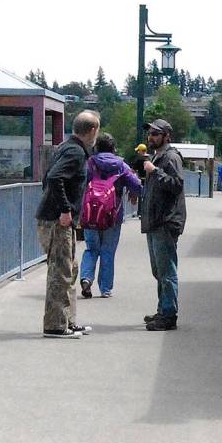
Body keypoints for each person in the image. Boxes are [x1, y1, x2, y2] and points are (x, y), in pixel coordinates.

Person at [35, 110, 100, 338]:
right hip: (58, 220)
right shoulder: (74, 151)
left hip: (56, 218)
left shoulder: (65, 147)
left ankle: (67, 321)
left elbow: (48, 177)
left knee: (69, 270)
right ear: (92, 130)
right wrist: (65, 209)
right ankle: (55, 326)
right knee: (61, 272)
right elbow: (54, 178)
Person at [79, 133, 142, 298]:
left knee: (91, 248)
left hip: (90, 213)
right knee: (108, 251)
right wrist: (133, 193)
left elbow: (78, 183)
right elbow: (137, 185)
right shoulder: (121, 165)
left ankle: (86, 278)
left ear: (96, 147)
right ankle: (105, 289)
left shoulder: (90, 163)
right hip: (112, 215)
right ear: (114, 149)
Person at [140, 118, 185, 330]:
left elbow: (176, 185)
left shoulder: (171, 157)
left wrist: (154, 171)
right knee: (159, 270)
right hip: (155, 221)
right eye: (150, 134)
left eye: (156, 134)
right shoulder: (158, 157)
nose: (151, 137)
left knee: (166, 271)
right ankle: (163, 310)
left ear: (167, 136)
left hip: (165, 222)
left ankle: (168, 315)